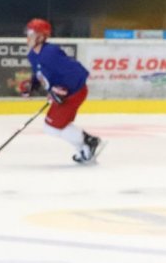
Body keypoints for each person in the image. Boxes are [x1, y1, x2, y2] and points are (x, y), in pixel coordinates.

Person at [20, 18, 104, 164]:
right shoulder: (32, 55)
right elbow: (40, 73)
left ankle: (90, 142)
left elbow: (79, 72)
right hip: (65, 96)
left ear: (41, 37)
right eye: (28, 33)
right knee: (53, 127)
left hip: (74, 93)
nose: (28, 37)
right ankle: (84, 148)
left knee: (52, 127)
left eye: (32, 34)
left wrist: (63, 89)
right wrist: (32, 86)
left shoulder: (50, 52)